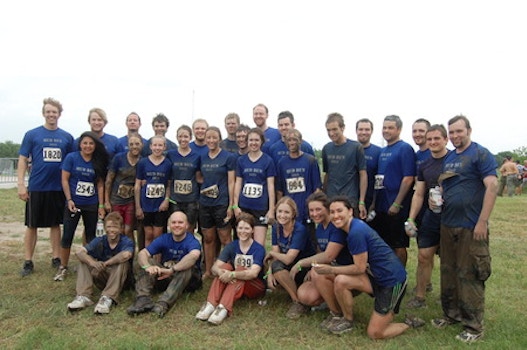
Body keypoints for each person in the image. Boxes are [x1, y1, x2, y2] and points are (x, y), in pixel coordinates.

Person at [432, 115, 498, 343]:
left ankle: (474, 327)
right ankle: (451, 315)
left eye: (459, 131)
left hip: (471, 225)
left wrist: (482, 221)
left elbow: (492, 186)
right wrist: (436, 201)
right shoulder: (449, 157)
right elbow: (444, 187)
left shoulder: (481, 154)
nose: (455, 136)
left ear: (469, 130)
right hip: (448, 223)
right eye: (452, 132)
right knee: (449, 271)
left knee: (469, 274)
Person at [322, 196, 424, 338]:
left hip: (392, 282)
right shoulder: (348, 228)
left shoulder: (356, 232)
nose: (335, 215)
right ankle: (347, 319)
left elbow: (359, 268)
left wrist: (331, 269)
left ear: (350, 211)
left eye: (339, 211)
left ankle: (409, 323)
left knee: (375, 333)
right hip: (374, 276)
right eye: (332, 212)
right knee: (341, 281)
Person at [18, 97, 75, 276]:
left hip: (57, 188)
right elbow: (22, 159)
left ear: (59, 114)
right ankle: (28, 261)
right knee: (32, 225)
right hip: (37, 186)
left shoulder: (67, 137)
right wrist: (21, 184)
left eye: (54, 112)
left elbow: (71, 162)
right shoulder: (32, 134)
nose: (51, 115)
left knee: (55, 224)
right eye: (48, 112)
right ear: (44, 113)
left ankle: (56, 257)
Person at [291, 192, 352, 328]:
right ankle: (330, 300)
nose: (314, 213)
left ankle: (336, 313)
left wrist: (302, 263)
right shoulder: (319, 227)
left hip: (347, 270)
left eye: (318, 209)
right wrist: (314, 266)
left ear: (327, 209)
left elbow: (329, 255)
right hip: (332, 269)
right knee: (305, 296)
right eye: (311, 210)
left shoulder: (335, 226)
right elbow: (320, 252)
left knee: (317, 273)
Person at [405, 124, 449, 309]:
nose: (432, 142)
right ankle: (420, 297)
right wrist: (411, 218)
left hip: (451, 217)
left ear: (446, 139)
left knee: (450, 260)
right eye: (430, 139)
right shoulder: (424, 164)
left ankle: (449, 297)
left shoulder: (454, 161)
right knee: (424, 256)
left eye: (437, 138)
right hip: (431, 216)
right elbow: (419, 193)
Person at [55, 131, 109, 282]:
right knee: (67, 236)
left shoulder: (98, 161)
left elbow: (100, 185)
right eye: (85, 143)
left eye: (91, 143)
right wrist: (69, 199)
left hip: (91, 204)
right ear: (80, 144)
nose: (88, 146)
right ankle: (63, 267)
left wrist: (101, 205)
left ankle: (88, 266)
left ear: (95, 145)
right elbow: (65, 180)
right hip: (74, 204)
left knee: (91, 237)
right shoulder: (71, 158)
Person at [127, 211, 202, 318]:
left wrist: (173, 269)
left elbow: (193, 256)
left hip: (189, 281)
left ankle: (163, 303)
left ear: (187, 225)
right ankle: (143, 299)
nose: (176, 225)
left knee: (187, 267)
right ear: (169, 225)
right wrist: (148, 267)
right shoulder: (164, 238)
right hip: (167, 276)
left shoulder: (192, 241)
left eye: (180, 222)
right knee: (143, 261)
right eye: (174, 222)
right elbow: (143, 253)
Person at [195, 213, 266, 325]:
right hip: (238, 282)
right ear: (236, 229)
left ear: (252, 230)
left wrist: (232, 275)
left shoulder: (258, 248)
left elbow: (253, 273)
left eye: (247, 228)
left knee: (239, 271)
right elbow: (215, 267)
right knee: (225, 267)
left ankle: (223, 308)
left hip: (255, 285)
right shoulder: (232, 246)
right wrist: (222, 272)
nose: (243, 231)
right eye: (240, 228)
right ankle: (211, 304)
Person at [369, 115, 416, 266]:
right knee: (384, 243)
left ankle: (401, 279)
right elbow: (379, 179)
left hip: (396, 206)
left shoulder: (405, 148)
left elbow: (408, 178)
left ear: (399, 129)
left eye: (390, 127)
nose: (386, 131)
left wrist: (397, 203)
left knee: (398, 244)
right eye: (384, 127)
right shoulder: (383, 151)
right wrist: (374, 203)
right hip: (381, 206)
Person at [66, 212, 134, 314]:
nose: (111, 230)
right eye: (109, 227)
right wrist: (93, 263)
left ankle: (107, 298)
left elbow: (126, 255)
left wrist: (106, 263)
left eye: (115, 227)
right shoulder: (100, 240)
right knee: (84, 260)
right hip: (103, 276)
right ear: (105, 228)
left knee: (122, 262)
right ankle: (83, 296)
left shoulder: (126, 241)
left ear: (121, 229)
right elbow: (79, 252)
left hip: (121, 279)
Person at [265, 196, 315, 319]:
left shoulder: (300, 229)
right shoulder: (276, 227)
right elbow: (277, 254)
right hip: (290, 266)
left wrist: (272, 254)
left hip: (305, 268)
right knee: (275, 267)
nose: (282, 215)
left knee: (277, 264)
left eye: (287, 212)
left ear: (293, 214)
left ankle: (300, 302)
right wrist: (270, 273)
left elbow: (288, 259)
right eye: (280, 212)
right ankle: (297, 300)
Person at [199, 126, 236, 279]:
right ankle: (208, 270)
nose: (211, 140)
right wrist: (208, 188)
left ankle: (227, 269)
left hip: (222, 203)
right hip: (205, 203)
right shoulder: (202, 157)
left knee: (225, 238)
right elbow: (199, 177)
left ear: (220, 139)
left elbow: (232, 182)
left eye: (214, 137)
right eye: (209, 137)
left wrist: (231, 205)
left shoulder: (228, 157)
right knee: (208, 238)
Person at [276, 128, 322, 248]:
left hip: (306, 211)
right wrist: (280, 210)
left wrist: (313, 210)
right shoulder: (282, 163)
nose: (291, 142)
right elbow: (280, 190)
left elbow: (317, 189)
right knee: (291, 243)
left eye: (294, 140)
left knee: (310, 242)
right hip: (289, 212)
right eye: (289, 140)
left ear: (300, 141)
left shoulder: (310, 160)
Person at [233, 127, 276, 246]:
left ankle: (260, 265)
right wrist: (235, 205)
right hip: (244, 207)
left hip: (260, 208)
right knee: (242, 243)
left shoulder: (268, 161)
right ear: (247, 142)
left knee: (258, 246)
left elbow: (271, 186)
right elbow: (238, 183)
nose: (253, 143)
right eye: (251, 140)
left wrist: (271, 209)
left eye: (256, 140)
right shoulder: (241, 161)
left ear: (261, 141)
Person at [322, 113, 367, 219]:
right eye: (328, 130)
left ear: (342, 128)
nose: (331, 133)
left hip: (350, 201)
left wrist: (361, 201)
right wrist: (324, 196)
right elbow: (327, 174)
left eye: (334, 129)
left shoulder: (356, 147)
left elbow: (363, 175)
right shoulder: (326, 149)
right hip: (331, 200)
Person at [134, 135, 172, 247]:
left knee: (157, 235)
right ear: (150, 146)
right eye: (155, 145)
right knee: (148, 234)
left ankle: (157, 261)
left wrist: (166, 200)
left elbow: (169, 185)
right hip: (146, 204)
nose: (157, 148)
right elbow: (137, 185)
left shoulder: (168, 164)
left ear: (164, 147)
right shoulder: (143, 162)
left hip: (160, 205)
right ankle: (148, 262)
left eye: (160, 145)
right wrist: (138, 207)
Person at [104, 135, 143, 242]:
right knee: (116, 229)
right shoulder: (119, 158)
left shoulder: (143, 161)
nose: (134, 147)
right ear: (127, 146)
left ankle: (129, 254)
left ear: (142, 145)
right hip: (116, 199)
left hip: (131, 200)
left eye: (137, 144)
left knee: (128, 229)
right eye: (131, 144)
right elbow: (109, 180)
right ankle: (115, 253)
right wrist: (106, 201)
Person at [167, 125, 202, 234]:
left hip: (191, 198)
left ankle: (189, 250)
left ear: (190, 137)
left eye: (186, 136)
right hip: (175, 198)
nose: (183, 139)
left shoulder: (196, 156)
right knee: (176, 228)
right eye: (180, 136)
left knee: (189, 228)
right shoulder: (171, 154)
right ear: (176, 137)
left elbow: (199, 177)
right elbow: (167, 176)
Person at [355, 118, 381, 212]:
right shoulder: (349, 149)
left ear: (371, 131)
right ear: (356, 131)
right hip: (350, 198)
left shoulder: (378, 152)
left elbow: (379, 180)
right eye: (361, 129)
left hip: (369, 199)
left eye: (367, 129)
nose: (363, 132)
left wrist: (374, 202)